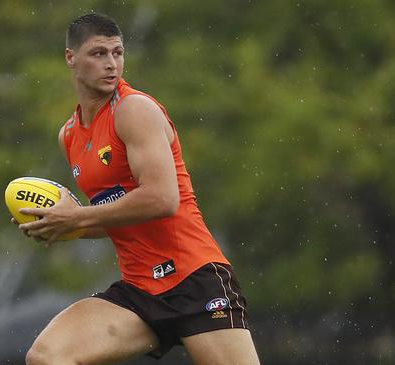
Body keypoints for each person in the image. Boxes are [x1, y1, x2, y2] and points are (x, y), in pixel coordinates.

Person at [16, 13, 261, 365]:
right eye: (98, 53)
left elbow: (162, 199)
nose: (111, 64)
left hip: (194, 279)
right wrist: (59, 224)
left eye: (117, 53)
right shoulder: (69, 135)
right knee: (47, 356)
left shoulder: (134, 110)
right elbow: (118, 214)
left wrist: (79, 217)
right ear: (71, 58)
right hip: (140, 291)